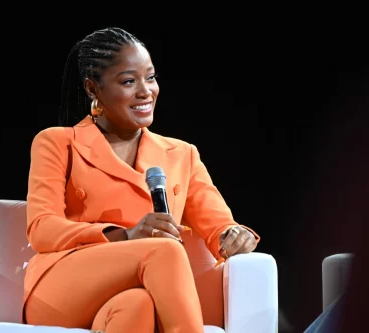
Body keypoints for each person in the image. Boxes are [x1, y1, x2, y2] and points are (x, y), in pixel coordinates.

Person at [22, 27, 260, 333]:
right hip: (64, 287)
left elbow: (218, 226)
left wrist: (233, 236)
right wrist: (126, 235)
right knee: (165, 250)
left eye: (151, 77)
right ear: (93, 89)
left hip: (138, 291)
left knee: (138, 307)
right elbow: (42, 229)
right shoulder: (58, 142)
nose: (146, 91)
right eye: (128, 81)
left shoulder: (182, 154)